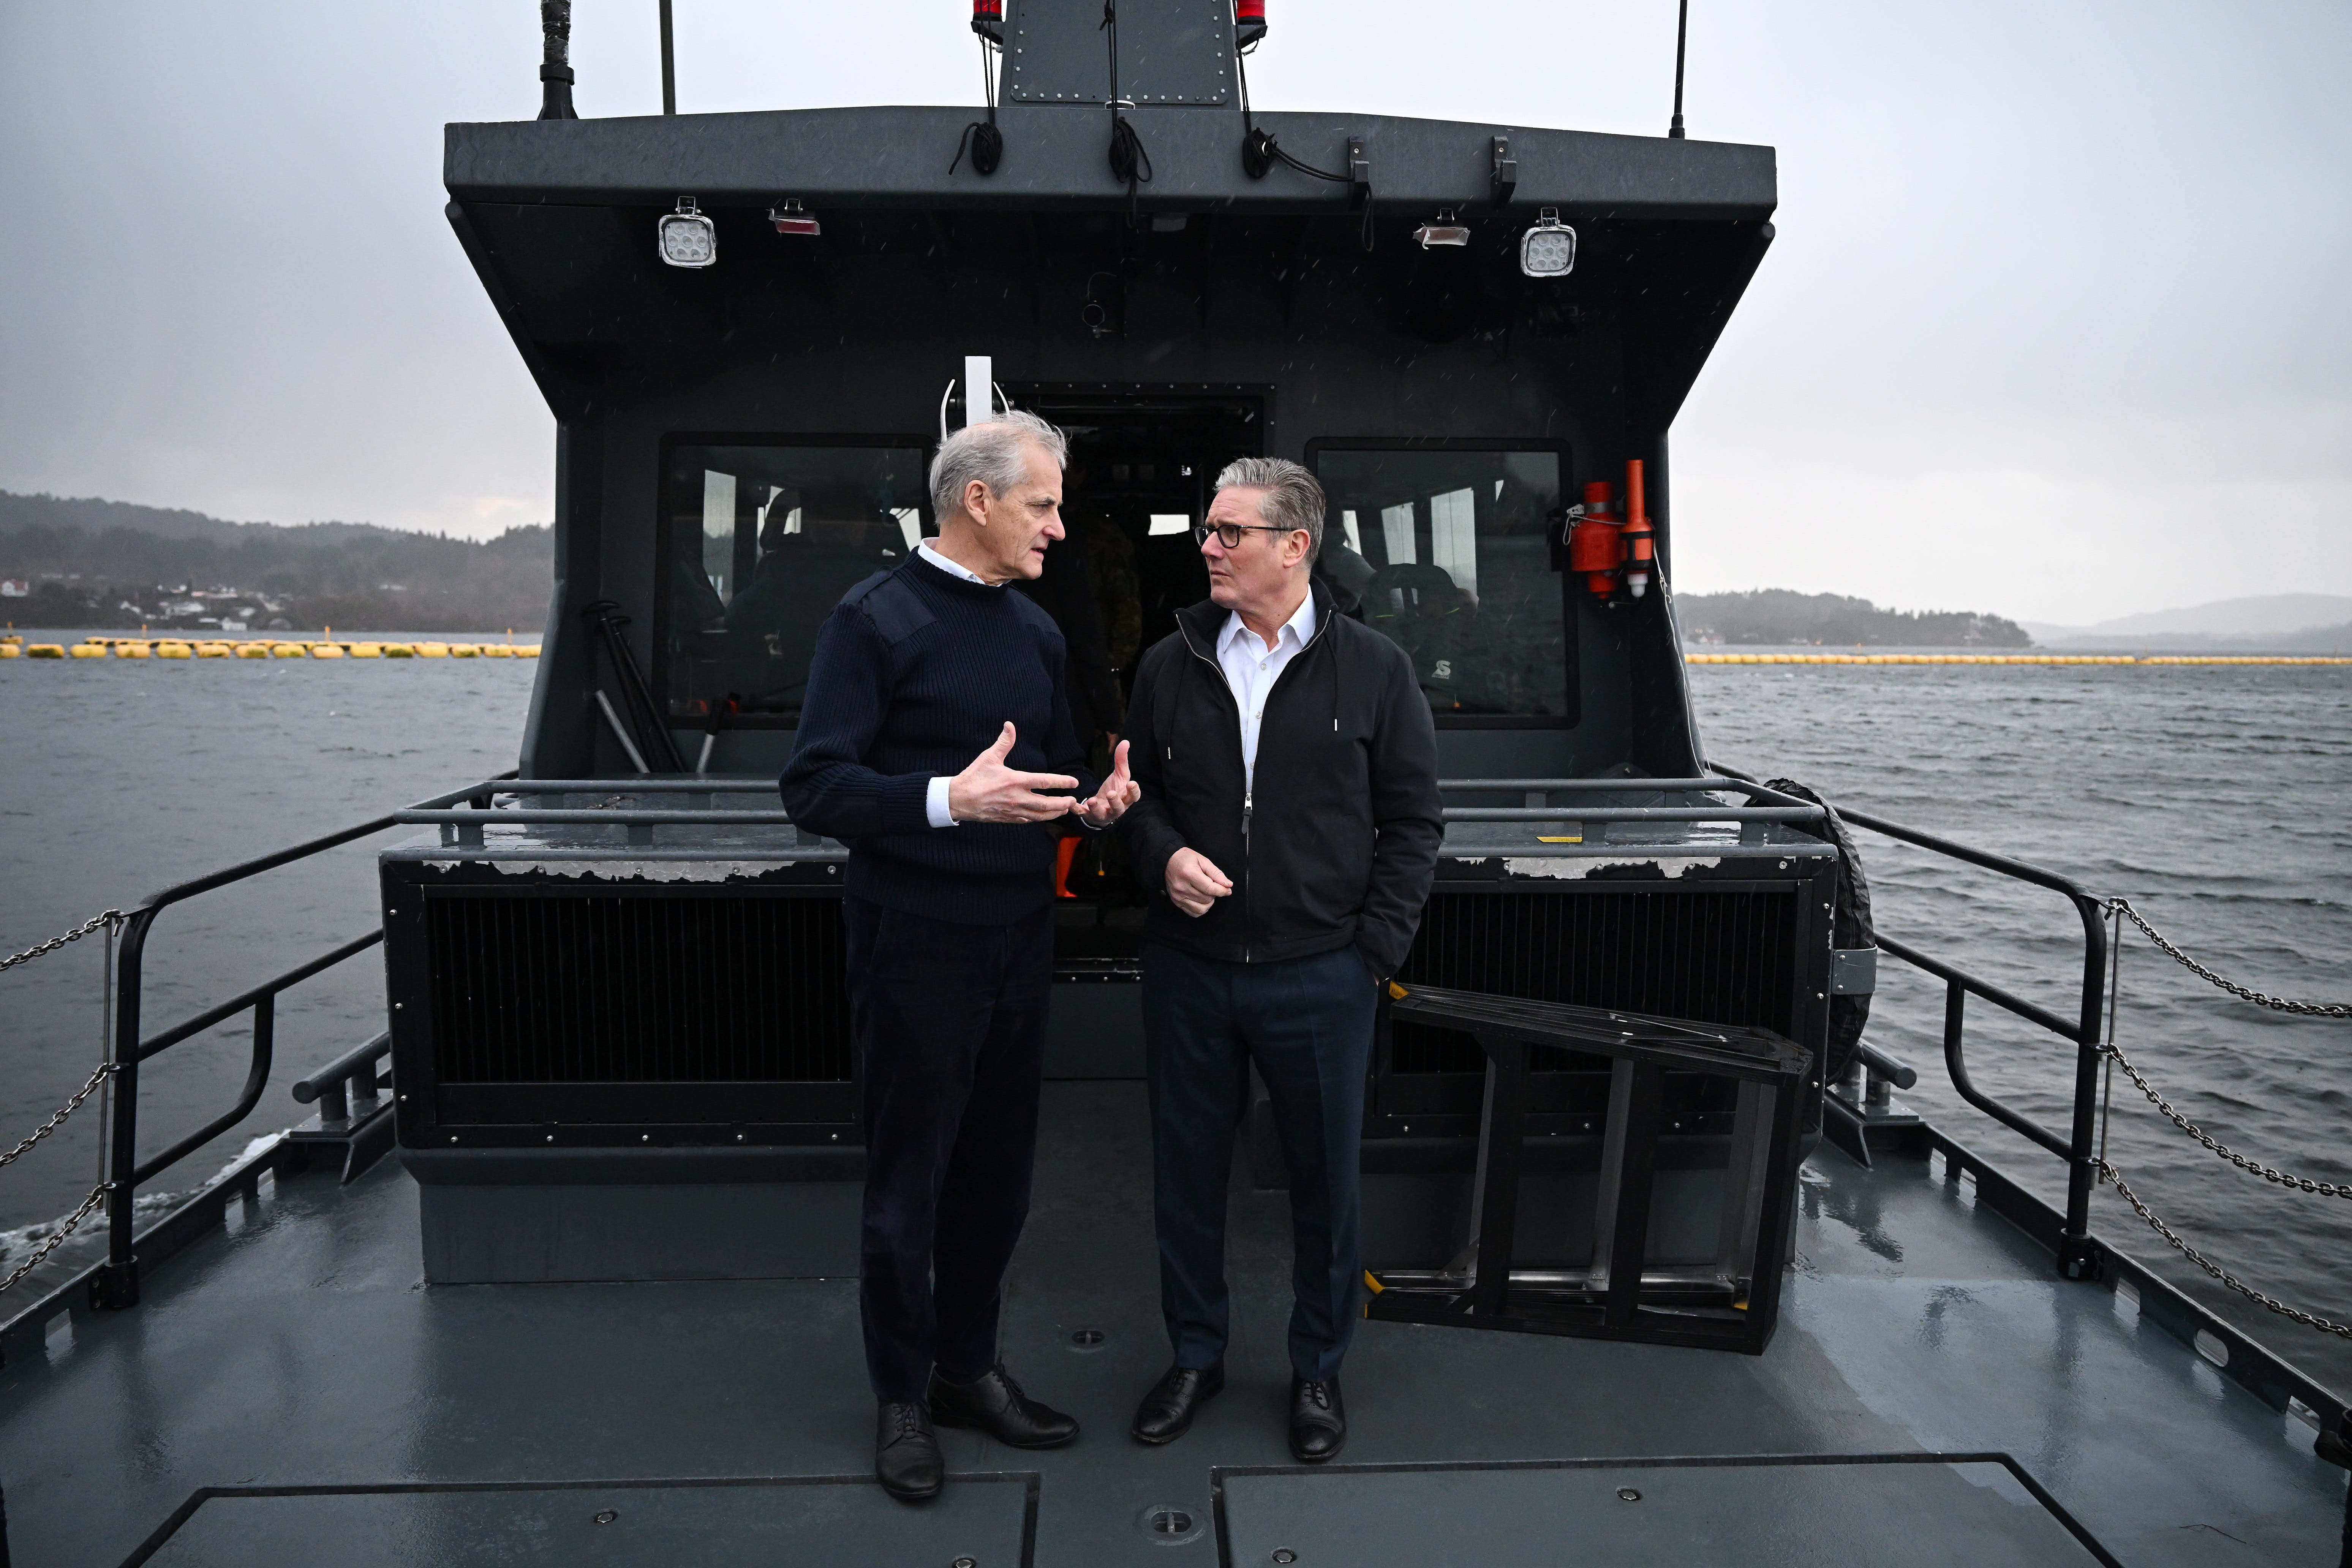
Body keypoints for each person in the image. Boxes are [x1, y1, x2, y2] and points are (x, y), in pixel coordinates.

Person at [779, 410, 1141, 1503]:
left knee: (996, 1180)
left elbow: (1044, 784)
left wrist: (1095, 806)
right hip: (914, 941)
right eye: (1045, 505)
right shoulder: (873, 619)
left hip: (1016, 938)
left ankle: (966, 1371)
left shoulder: (1031, 633)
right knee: (909, 1186)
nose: (1061, 529)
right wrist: (945, 798)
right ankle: (901, 1397)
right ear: (976, 501)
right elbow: (815, 787)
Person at [1115, 457, 1442, 1462]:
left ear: (1295, 546)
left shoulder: (1377, 669)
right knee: (1186, 1177)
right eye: (1210, 532)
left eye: (1229, 533)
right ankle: (1196, 1356)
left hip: (1320, 975)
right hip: (1190, 970)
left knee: (1324, 1186)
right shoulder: (1168, 663)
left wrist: (1368, 959)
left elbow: (1413, 825)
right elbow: (1134, 799)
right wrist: (1160, 856)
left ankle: (1317, 1370)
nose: (1208, 547)